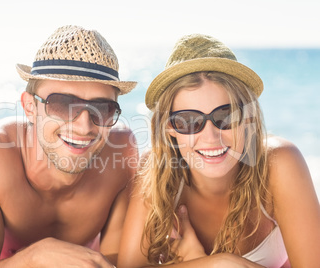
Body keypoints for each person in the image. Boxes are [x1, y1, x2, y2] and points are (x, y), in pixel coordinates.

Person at [118, 34, 320, 267]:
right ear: (169, 128)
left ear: (249, 119)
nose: (210, 136)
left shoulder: (279, 164)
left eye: (226, 116)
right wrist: (215, 263)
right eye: (189, 121)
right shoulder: (156, 174)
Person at [0, 25, 138, 267]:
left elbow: (114, 263)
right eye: (63, 104)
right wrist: (33, 258)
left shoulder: (122, 152)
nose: (84, 126)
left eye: (102, 108)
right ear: (29, 107)